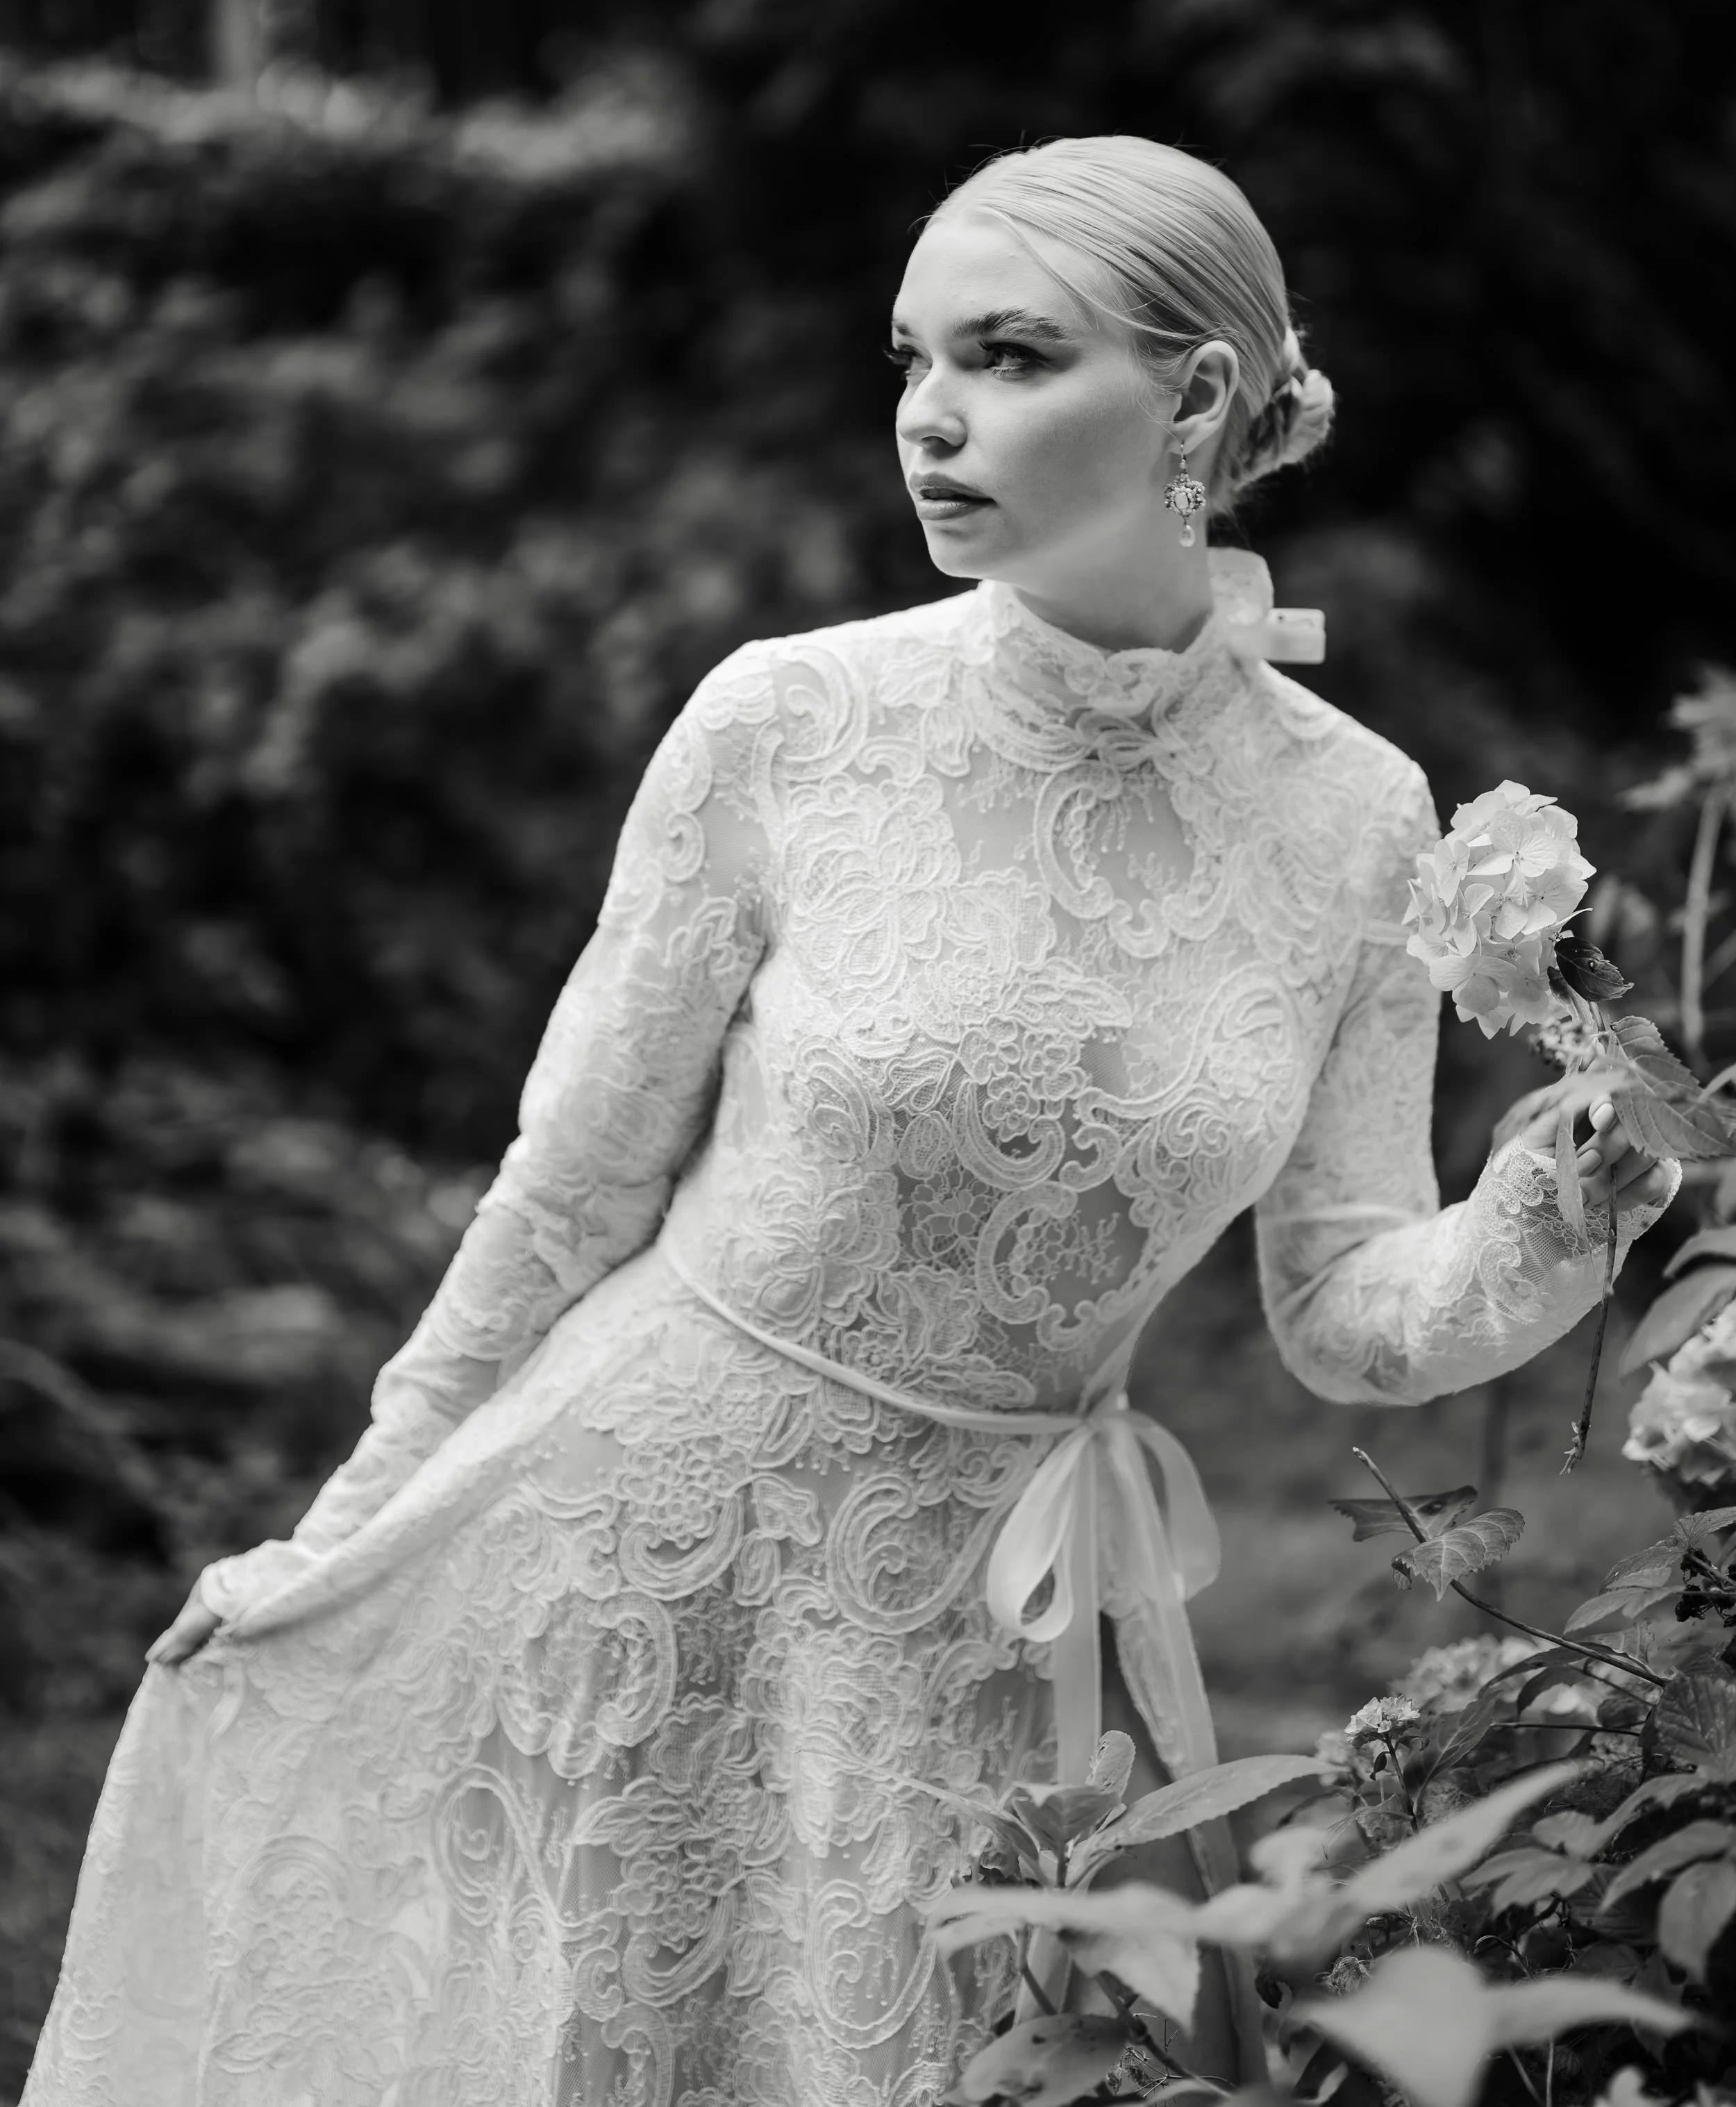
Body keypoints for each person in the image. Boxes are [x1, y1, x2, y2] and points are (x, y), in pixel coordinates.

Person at [25, 137, 1675, 2107]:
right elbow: (567, 1197)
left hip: (1016, 1642)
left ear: (1200, 399)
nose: (928, 416)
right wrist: (338, 1539)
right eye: (911, 359)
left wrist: (1555, 1209)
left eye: (1006, 355)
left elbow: (1340, 1307)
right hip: (648, 1575)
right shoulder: (786, 723)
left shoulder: (1359, 814)